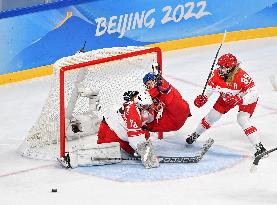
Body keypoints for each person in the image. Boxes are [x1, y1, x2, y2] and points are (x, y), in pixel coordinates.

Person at [186, 53, 267, 157]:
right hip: (226, 98)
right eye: (220, 66)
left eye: (224, 67)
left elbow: (254, 93)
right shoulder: (216, 74)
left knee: (242, 119)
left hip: (244, 98)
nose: (221, 69)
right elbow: (210, 88)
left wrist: (239, 99)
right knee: (212, 116)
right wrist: (203, 98)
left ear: (232, 68)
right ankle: (195, 135)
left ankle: (260, 148)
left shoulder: (242, 76)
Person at [97, 90, 159, 169]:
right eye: (144, 106)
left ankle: (130, 148)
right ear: (138, 104)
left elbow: (149, 119)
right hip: (110, 130)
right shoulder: (132, 111)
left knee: (145, 133)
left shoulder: (147, 107)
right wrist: (146, 154)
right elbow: (135, 137)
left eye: (148, 106)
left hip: (123, 132)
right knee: (106, 154)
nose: (146, 108)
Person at [142, 62, 191, 133]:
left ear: (154, 80)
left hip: (175, 121)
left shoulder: (157, 88)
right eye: (147, 85)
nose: (148, 86)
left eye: (149, 83)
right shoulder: (161, 84)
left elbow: (145, 97)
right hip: (185, 109)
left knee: (148, 125)